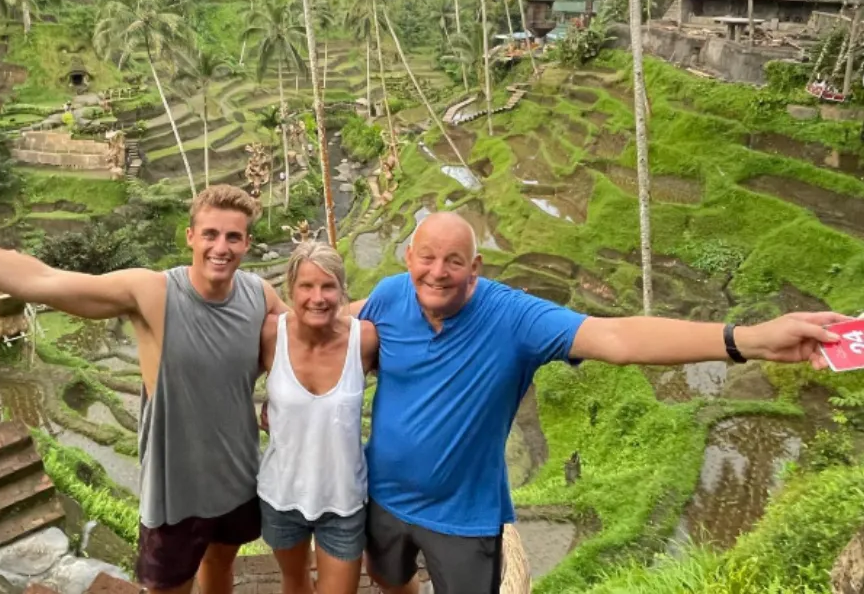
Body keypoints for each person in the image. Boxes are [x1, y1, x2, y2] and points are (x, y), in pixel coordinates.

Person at [354, 211, 851, 594]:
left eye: (453, 261)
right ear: (408, 258)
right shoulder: (389, 296)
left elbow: (616, 338)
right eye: (426, 258)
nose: (437, 273)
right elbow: (332, 323)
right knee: (388, 578)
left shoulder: (513, 317)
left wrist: (749, 339)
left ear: (475, 267)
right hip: (385, 498)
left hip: (461, 518)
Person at [0, 181, 287, 594]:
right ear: (190, 237)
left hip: (237, 477)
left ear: (248, 242)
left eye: (234, 236)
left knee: (221, 568)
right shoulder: (153, 292)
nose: (222, 246)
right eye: (211, 234)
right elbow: (41, 279)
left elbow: (311, 339)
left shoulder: (259, 295)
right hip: (175, 495)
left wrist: (280, 397)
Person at [257, 242, 378, 594]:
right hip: (281, 495)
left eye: (328, 286)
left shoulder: (365, 339)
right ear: (290, 289)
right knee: (294, 582)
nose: (318, 297)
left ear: (342, 290)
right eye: (307, 286)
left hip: (343, 499)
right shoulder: (269, 334)